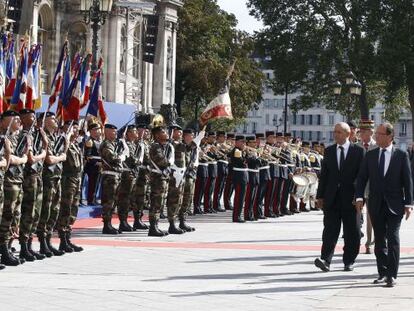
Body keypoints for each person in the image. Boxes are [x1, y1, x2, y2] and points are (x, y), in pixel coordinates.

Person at [356, 123, 413, 287]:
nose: (376, 136)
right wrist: (359, 197)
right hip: (376, 204)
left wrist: (409, 203)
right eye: (377, 134)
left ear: (390, 136)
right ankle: (382, 272)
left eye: (380, 134)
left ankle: (392, 275)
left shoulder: (401, 155)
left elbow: (407, 181)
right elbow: (362, 178)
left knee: (393, 238)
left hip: (396, 205)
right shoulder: (371, 155)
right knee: (380, 239)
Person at [314, 122, 365, 272]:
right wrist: (320, 196)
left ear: (348, 134)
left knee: (352, 232)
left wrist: (360, 197)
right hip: (332, 198)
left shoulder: (359, 151)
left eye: (339, 132)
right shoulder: (329, 151)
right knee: (329, 230)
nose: (336, 135)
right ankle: (326, 260)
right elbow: (324, 176)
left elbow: (362, 177)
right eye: (335, 132)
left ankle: (349, 260)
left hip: (352, 199)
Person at [18, 109, 48, 261]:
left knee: (35, 212)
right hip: (28, 178)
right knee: (28, 212)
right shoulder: (24, 136)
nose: (35, 118)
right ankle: (23, 246)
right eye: (31, 116)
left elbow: (45, 148)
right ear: (23, 118)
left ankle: (29, 245)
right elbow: (31, 159)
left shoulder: (35, 135)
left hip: (37, 177)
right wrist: (42, 155)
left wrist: (43, 138)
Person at [0, 111, 28, 266]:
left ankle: (7, 249)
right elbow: (8, 160)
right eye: (13, 118)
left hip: (14, 180)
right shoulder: (4, 138)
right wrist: (21, 159)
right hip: (8, 182)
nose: (17, 120)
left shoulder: (14, 138)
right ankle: (4, 250)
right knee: (6, 217)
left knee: (12, 217)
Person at [56, 121, 84, 252]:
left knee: (73, 209)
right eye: (73, 129)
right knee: (65, 209)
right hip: (67, 180)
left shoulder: (76, 145)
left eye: (77, 129)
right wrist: (66, 141)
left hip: (76, 179)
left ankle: (68, 237)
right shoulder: (62, 143)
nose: (76, 131)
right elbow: (61, 157)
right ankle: (62, 240)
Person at [100, 124, 124, 235]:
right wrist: (121, 156)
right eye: (113, 132)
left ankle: (109, 224)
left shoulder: (114, 144)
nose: (116, 133)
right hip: (109, 177)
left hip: (116, 176)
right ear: (107, 132)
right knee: (108, 202)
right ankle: (106, 225)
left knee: (113, 202)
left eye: (116, 131)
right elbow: (112, 158)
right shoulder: (106, 144)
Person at [357, 119, 377, 254]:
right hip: (357, 187)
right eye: (360, 131)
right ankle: (355, 239)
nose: (361, 134)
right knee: (356, 216)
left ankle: (369, 242)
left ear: (371, 132)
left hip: (372, 187)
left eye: (364, 131)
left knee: (371, 217)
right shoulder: (356, 147)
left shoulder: (377, 146)